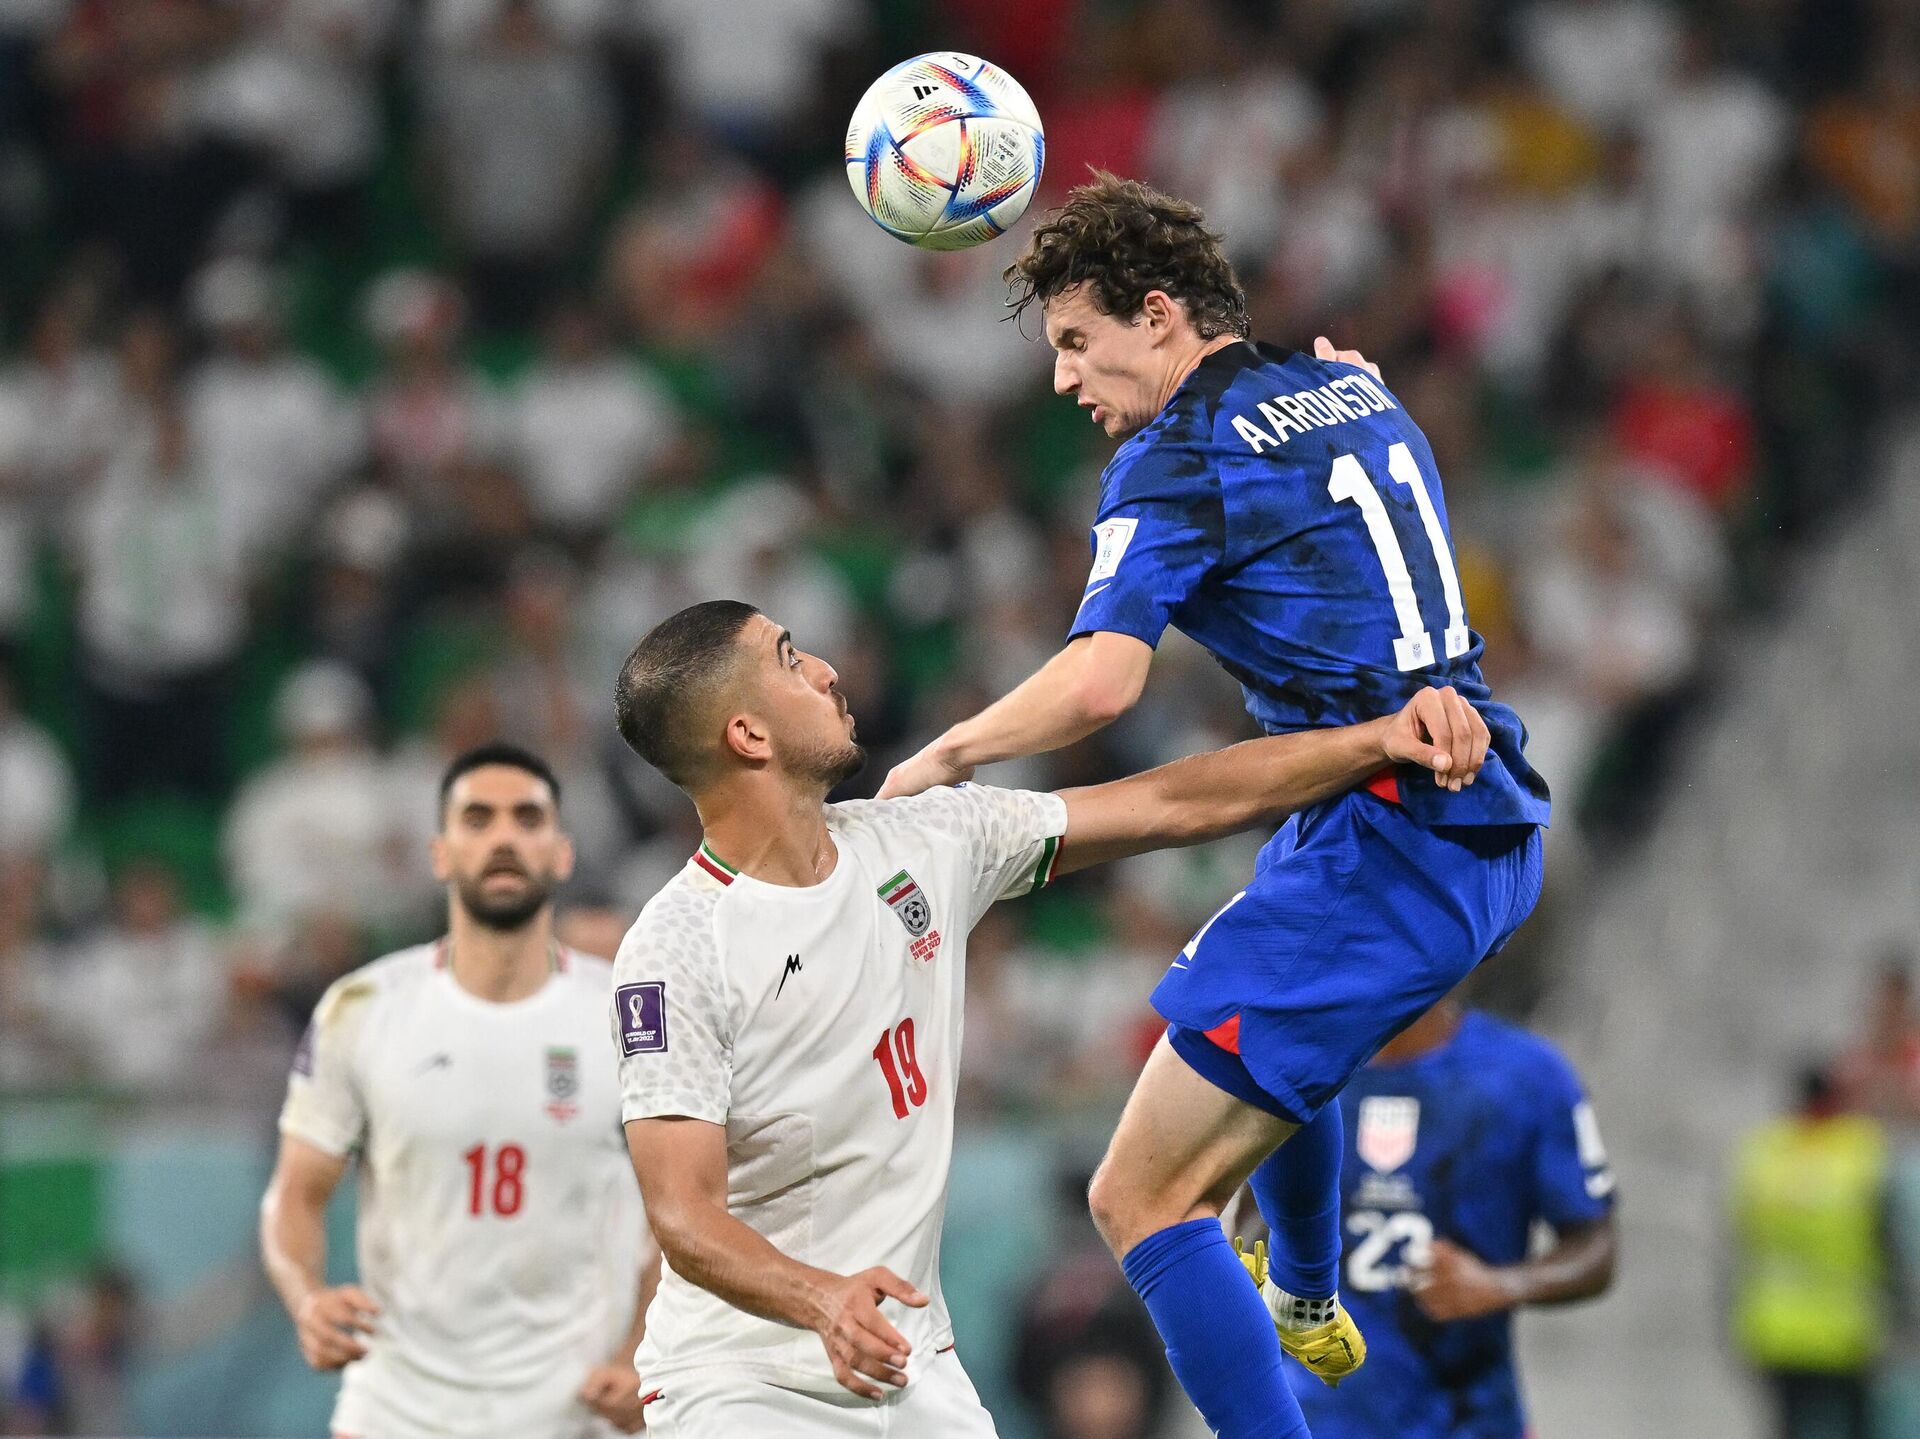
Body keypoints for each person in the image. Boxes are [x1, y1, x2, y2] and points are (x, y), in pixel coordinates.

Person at [878, 173, 1551, 1439]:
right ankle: (1303, 1287)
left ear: (1157, 313)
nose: (1064, 378)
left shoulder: (1175, 456)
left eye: (1077, 339)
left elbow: (1101, 682)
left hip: (1392, 837)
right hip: (1473, 799)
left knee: (1139, 1198)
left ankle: (1292, 1325)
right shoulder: (1354, 387)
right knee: (1240, 1017)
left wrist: (953, 748)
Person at [608, 600, 1490, 1436]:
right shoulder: (676, 947)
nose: (827, 669)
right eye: (789, 659)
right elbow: (683, 1214)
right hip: (743, 1383)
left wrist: (1376, 739)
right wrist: (821, 1298)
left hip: (910, 1368)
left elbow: (1175, 801)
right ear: (748, 734)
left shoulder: (921, 840)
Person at [259, 742, 658, 1438]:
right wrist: (306, 1299)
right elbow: (295, 1192)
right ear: (440, 854)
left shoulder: (627, 1016)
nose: (504, 837)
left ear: (562, 853)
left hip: (573, 1411)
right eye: (478, 819)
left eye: (527, 819)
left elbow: (685, 1209)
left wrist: (641, 1352)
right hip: (397, 1410)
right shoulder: (362, 1009)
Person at [1249, 992, 1616, 1436]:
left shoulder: (1529, 1075)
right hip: (1311, 1420)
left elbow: (1595, 1247)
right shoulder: (1290, 1070)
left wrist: (1496, 1285)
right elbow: (1243, 1230)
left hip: (1470, 1419)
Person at [1730, 1065, 1890, 1439]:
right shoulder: (1863, 1151)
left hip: (1776, 1327)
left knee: (1789, 1425)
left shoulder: (1764, 1152)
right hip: (1847, 1330)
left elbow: (1739, 1237)